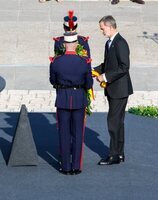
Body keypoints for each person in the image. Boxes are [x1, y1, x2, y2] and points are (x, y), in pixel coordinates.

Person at [49, 32, 93, 175]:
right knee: (78, 133)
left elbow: (53, 81)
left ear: (64, 45)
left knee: (64, 133)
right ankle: (76, 166)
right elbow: (88, 83)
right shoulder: (84, 61)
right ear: (76, 45)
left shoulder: (56, 62)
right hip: (79, 99)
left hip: (62, 98)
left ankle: (65, 166)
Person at [94, 15, 133, 165]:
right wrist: (94, 70)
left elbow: (124, 67)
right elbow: (108, 64)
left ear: (110, 27)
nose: (102, 31)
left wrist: (105, 77)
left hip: (120, 89)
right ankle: (120, 153)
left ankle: (113, 155)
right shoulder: (109, 43)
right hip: (114, 89)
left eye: (102, 28)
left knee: (113, 121)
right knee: (118, 122)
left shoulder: (121, 43)